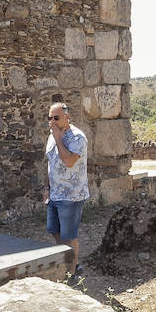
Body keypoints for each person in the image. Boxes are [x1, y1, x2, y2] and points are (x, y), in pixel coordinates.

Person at [44, 102, 88, 266]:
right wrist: (47, 188)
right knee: (54, 230)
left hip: (72, 195)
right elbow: (50, 163)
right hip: (55, 193)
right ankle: (68, 261)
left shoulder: (77, 137)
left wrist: (58, 139)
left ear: (67, 117)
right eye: (50, 118)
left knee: (69, 235)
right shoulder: (52, 135)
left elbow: (69, 161)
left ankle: (73, 271)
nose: (52, 121)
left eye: (56, 118)